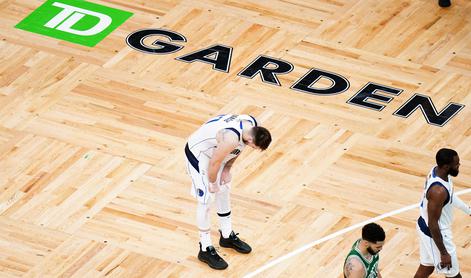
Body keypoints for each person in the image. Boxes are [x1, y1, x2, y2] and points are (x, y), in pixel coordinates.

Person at [184, 114, 272, 270]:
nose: (252, 149)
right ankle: (205, 248)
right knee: (206, 199)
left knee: (224, 188)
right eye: (254, 147)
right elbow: (214, 162)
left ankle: (226, 236)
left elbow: (239, 148)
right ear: (252, 140)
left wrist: (227, 169)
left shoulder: (252, 124)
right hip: (199, 153)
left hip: (217, 150)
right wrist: (211, 183)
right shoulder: (230, 138)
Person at [414, 148, 471, 278]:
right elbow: (433, 223)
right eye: (456, 164)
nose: (459, 166)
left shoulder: (438, 172)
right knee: (454, 275)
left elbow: (450, 196)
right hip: (436, 233)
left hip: (425, 227)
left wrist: (468, 210)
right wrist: (444, 253)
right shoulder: (438, 191)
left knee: (427, 267)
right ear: (446, 166)